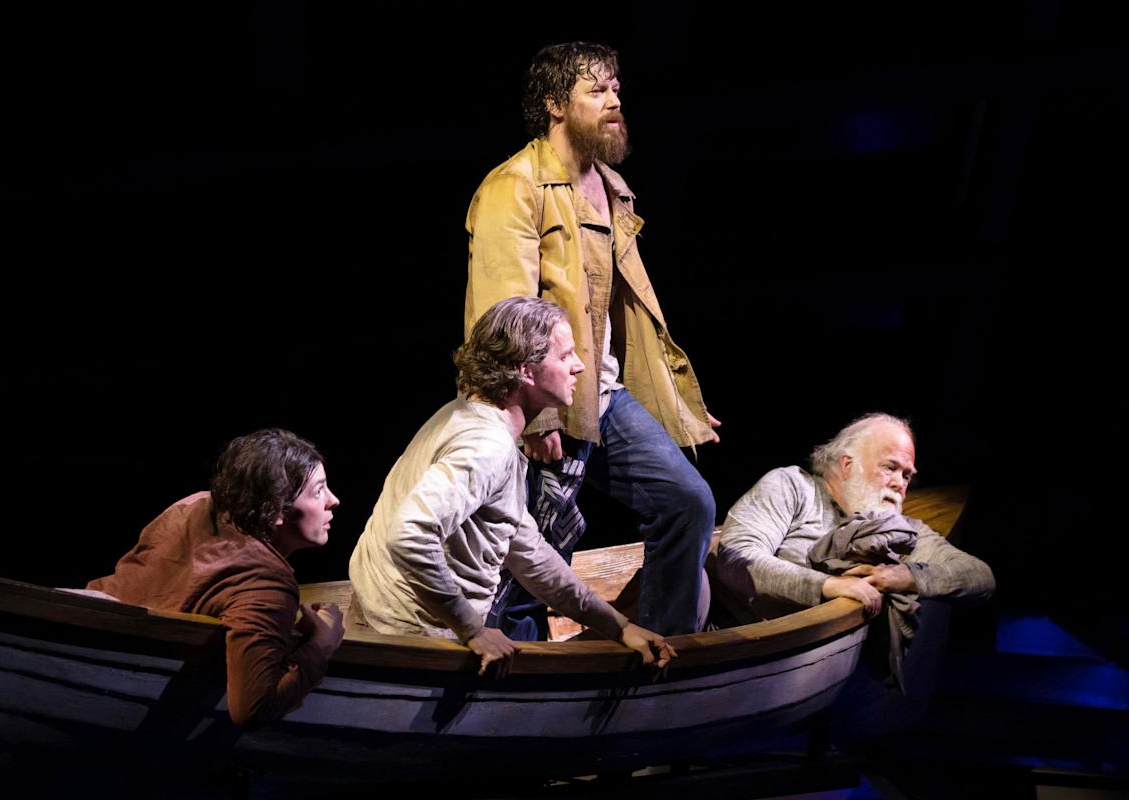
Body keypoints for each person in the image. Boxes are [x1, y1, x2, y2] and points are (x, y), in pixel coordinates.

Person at [464, 41, 717, 639]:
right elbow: (502, 315)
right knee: (531, 554)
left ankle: (663, 651)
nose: (615, 101)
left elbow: (629, 312)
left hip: (602, 394)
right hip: (542, 399)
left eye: (617, 89)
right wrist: (537, 419)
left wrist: (679, 403)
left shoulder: (612, 185)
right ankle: (523, 690)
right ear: (555, 104)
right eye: (597, 90)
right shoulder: (515, 186)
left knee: (688, 503)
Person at [349, 296, 676, 676]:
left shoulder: (469, 418)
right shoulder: (486, 446)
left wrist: (619, 627)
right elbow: (408, 535)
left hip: (383, 622)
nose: (579, 365)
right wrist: (471, 629)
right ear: (525, 370)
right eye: (565, 355)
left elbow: (529, 552)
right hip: (410, 644)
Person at [86, 429, 345, 727]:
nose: (333, 500)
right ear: (275, 509)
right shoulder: (268, 583)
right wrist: (321, 646)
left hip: (91, 623)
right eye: (318, 491)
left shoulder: (195, 503)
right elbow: (252, 709)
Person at [715, 413, 995, 623]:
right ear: (847, 465)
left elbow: (980, 577)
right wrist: (828, 586)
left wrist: (906, 576)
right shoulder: (793, 486)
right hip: (753, 637)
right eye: (890, 467)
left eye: (907, 475)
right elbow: (737, 558)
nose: (900, 483)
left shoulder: (902, 531)